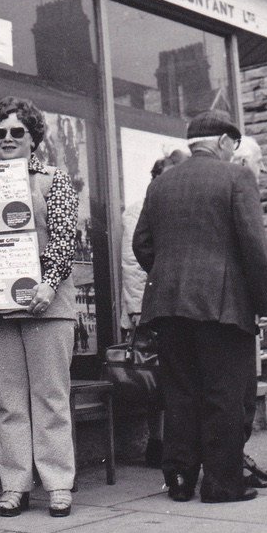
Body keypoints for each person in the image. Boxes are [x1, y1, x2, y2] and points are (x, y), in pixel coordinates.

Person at [133, 110, 267, 504]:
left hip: (169, 306)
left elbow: (142, 245)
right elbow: (254, 248)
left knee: (181, 393)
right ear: (223, 141)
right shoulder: (238, 177)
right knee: (225, 393)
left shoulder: (161, 184)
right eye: (234, 145)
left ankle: (180, 481)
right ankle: (221, 485)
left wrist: (173, 275)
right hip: (223, 306)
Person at [0, 97, 81, 517]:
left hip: (47, 304)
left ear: (34, 139)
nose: (8, 139)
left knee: (50, 397)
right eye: (0, 133)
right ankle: (15, 485)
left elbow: (66, 239)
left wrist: (48, 284)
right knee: (9, 401)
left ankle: (58, 483)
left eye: (18, 132)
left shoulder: (54, 180)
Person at [119, 149, 188, 469]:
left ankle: (172, 442)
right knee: (153, 379)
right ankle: (157, 442)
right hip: (148, 307)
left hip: (176, 306)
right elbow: (132, 263)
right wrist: (135, 309)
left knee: (173, 376)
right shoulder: (137, 211)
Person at [231, 136, 267, 489]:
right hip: (231, 311)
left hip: (234, 306)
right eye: (259, 160)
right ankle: (233, 461)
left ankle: (238, 457)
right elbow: (253, 254)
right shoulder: (238, 188)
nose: (264, 168)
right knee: (236, 393)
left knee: (241, 392)